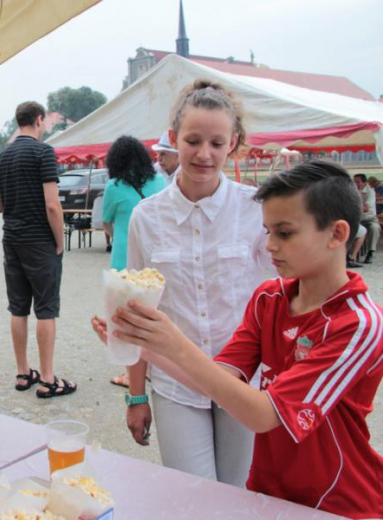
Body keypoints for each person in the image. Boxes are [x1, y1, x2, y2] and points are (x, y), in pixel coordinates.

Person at [97, 161, 383, 518]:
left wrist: (172, 341)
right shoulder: (270, 298)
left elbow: (264, 415)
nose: (270, 245)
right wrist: (143, 342)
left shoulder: (358, 323)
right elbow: (216, 381)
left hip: (335, 500)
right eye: (266, 231)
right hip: (270, 489)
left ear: (337, 234)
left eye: (285, 233)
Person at [116, 80, 270, 487]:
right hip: (176, 385)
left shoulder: (256, 211)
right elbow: (134, 314)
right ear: (172, 139)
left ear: (233, 143)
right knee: (195, 500)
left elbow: (277, 302)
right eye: (194, 140)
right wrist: (136, 396)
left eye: (217, 143)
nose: (204, 154)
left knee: (238, 496)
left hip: (243, 383)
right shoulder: (145, 218)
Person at [0, 101, 76, 398]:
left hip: (12, 239)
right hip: (39, 240)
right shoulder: (43, 152)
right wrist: (59, 241)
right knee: (45, 309)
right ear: (39, 120)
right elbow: (53, 205)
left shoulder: (3, 157)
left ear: (19, 122)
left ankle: (22, 372)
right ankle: (48, 379)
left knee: (18, 307)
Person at [101, 136, 167, 389]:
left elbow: (105, 221)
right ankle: (151, 367)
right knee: (152, 310)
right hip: (154, 254)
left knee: (124, 314)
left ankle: (131, 373)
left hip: (123, 255)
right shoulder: (159, 181)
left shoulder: (114, 186)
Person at [353, 173, 380, 263]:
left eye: (358, 182)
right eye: (354, 182)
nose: (356, 184)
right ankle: (352, 254)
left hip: (370, 218)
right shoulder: (352, 190)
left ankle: (370, 253)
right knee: (349, 227)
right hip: (357, 218)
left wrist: (359, 207)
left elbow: (366, 208)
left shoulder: (370, 191)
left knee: (374, 228)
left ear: (364, 183)